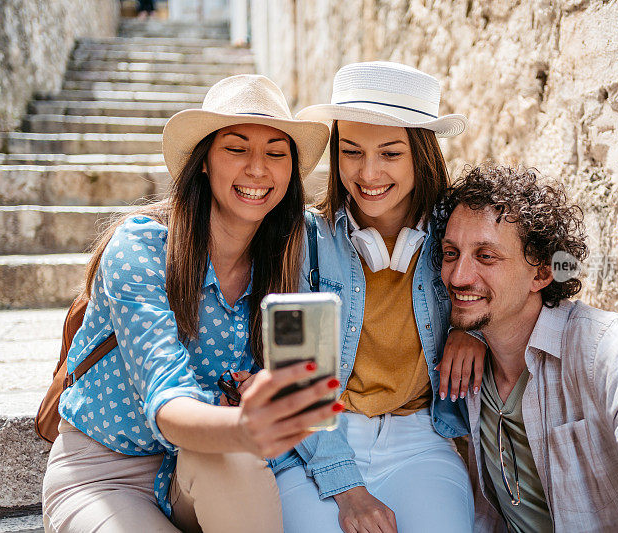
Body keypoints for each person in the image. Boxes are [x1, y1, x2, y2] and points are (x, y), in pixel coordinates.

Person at [42, 75, 338, 533]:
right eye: (237, 149)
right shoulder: (141, 247)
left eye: (277, 153)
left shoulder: (290, 255)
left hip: (200, 470)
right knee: (234, 447)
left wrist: (466, 328)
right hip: (105, 476)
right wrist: (244, 424)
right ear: (204, 161)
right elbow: (166, 397)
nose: (258, 169)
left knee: (235, 459)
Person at [434, 164, 618, 532]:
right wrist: (460, 330)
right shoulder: (466, 356)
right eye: (451, 253)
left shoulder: (603, 345)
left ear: (542, 273)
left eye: (486, 256)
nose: (458, 276)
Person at [267, 61, 485, 533]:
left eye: (390, 153)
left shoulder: (457, 232)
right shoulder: (304, 240)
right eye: (352, 152)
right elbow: (295, 377)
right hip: (320, 441)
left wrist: (474, 333)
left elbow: (512, 292)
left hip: (421, 439)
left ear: (419, 156)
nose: (368, 173)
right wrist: (348, 489)